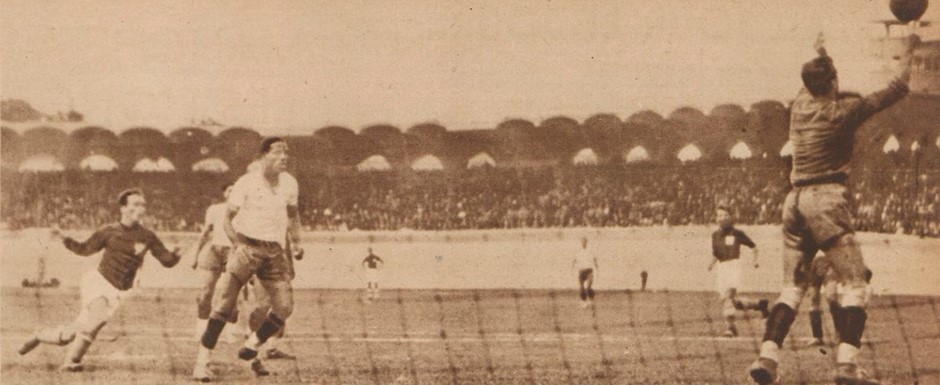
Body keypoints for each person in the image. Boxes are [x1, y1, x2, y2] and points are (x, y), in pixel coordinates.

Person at [748, 33, 912, 385]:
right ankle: (847, 366)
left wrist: (821, 52)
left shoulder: (799, 105)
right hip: (826, 198)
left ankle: (767, 359)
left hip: (793, 201)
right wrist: (909, 48)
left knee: (792, 289)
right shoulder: (843, 112)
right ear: (833, 83)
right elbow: (896, 89)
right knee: (856, 284)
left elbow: (818, 81)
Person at [18, 189, 181, 372]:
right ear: (123, 208)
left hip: (119, 291)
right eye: (135, 204)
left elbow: (167, 261)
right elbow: (84, 249)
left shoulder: (148, 236)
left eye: (143, 205)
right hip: (98, 282)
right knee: (98, 319)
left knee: (74, 332)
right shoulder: (108, 231)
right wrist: (64, 237)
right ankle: (70, 363)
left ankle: (40, 335)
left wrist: (176, 255)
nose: (140, 208)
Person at [192, 137, 303, 381]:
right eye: (277, 153)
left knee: (284, 307)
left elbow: (293, 217)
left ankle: (252, 345)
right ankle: (202, 363)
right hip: (247, 248)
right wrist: (238, 245)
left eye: (286, 153)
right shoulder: (247, 182)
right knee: (223, 306)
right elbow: (227, 220)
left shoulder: (290, 184)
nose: (284, 157)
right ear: (264, 156)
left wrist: (296, 242)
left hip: (274, 252)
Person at [707, 205, 769, 338]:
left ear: (730, 217)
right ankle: (759, 304)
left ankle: (731, 329)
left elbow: (754, 247)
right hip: (722, 269)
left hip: (734, 266)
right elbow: (716, 253)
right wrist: (711, 264)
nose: (722, 218)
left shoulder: (737, 234)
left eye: (725, 215)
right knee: (730, 301)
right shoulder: (714, 235)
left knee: (727, 297)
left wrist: (755, 261)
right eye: (719, 215)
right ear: (716, 218)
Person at [191, 183, 239, 342]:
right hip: (214, 251)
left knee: (231, 295)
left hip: (234, 252)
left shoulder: (246, 210)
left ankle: (230, 332)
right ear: (225, 193)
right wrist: (195, 255)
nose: (233, 192)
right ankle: (201, 330)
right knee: (205, 292)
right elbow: (205, 233)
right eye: (229, 190)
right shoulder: (215, 209)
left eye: (235, 190)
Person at [572, 237, 598, 308]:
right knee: (581, 287)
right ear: (581, 243)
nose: (583, 243)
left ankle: (591, 299)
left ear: (586, 242)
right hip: (581, 271)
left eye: (584, 242)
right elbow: (574, 261)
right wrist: (573, 270)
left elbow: (595, 260)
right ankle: (583, 302)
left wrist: (597, 269)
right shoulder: (578, 251)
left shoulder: (590, 251)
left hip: (589, 270)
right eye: (582, 242)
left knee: (589, 286)